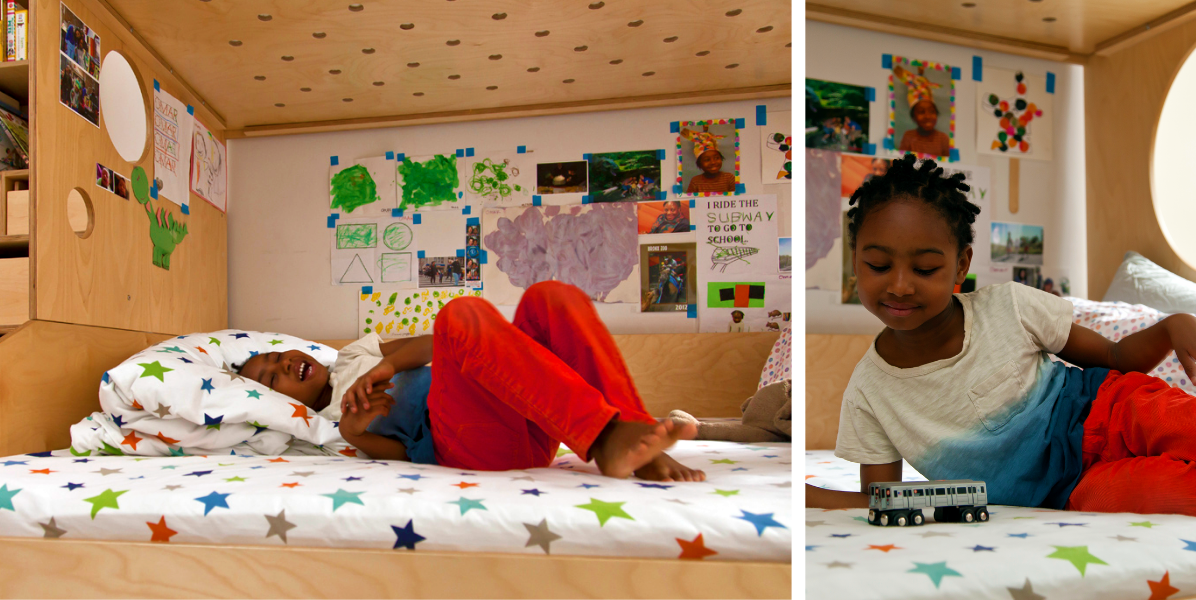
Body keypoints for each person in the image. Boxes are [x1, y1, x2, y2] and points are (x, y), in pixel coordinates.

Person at [806, 153, 1196, 517]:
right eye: (877, 265)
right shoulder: (868, 393)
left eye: (925, 269)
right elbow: (884, 501)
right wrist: (809, 498)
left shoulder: (1010, 306)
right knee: (1170, 493)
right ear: (855, 259)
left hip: (1110, 411)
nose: (901, 286)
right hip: (1069, 491)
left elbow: (1115, 358)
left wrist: (1171, 326)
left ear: (961, 267)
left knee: (1180, 423)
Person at [236, 282, 705, 482]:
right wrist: (356, 432)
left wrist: (389, 365)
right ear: (272, 400)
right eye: (271, 377)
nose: (283, 364)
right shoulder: (321, 424)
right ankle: (603, 434)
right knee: (461, 312)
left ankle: (629, 432)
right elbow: (402, 456)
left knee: (550, 298)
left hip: (527, 413)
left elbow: (442, 342)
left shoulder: (352, 354)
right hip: (471, 446)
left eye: (278, 355)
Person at [894, 64, 952, 158]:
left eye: (932, 111)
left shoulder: (943, 139)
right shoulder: (908, 137)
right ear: (913, 117)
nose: (927, 116)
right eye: (921, 112)